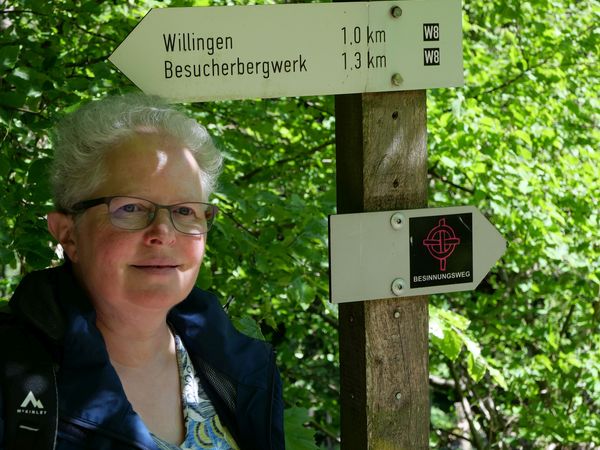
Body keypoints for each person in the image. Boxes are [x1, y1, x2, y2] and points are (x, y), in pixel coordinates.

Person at [0, 94, 284, 449]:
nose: (163, 233)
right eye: (131, 208)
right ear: (69, 235)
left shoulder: (245, 371)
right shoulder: (13, 377)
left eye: (185, 211)